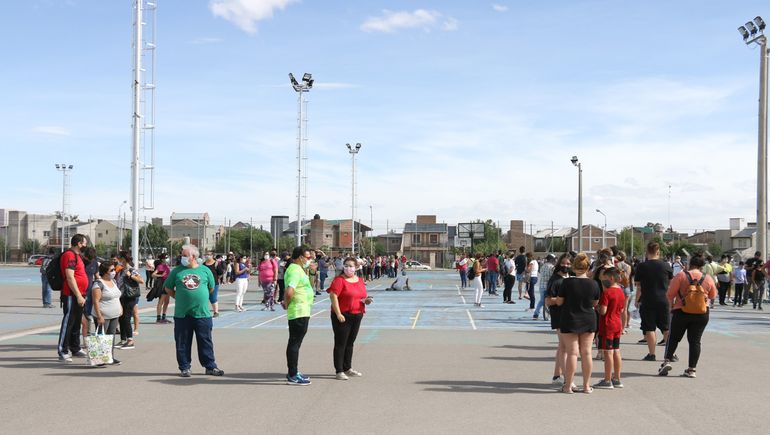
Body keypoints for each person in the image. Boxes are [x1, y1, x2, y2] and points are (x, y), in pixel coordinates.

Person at [164, 244, 223, 377]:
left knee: (205, 341)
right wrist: (179, 296)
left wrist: (199, 296)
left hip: (202, 313)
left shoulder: (205, 270)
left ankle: (210, 366)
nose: (182, 258)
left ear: (194, 257)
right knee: (182, 342)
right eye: (182, 255)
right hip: (182, 314)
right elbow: (168, 288)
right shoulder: (177, 271)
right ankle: (185, 367)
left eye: (185, 255)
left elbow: (211, 288)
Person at [658, 254, 717, 378]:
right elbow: (713, 295)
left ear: (690, 264)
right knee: (695, 341)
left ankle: (667, 361)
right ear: (702, 266)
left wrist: (671, 307)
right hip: (702, 312)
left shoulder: (681, 275)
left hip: (681, 311)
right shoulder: (707, 278)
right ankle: (691, 369)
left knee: (674, 338)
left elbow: (670, 294)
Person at [555, 253, 599, 394]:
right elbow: (595, 303)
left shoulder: (567, 283)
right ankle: (586, 386)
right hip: (588, 318)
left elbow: (559, 301)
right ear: (588, 268)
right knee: (586, 353)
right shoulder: (594, 283)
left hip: (570, 318)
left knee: (572, 353)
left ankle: (568, 386)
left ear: (574, 267)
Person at [327, 257, 373, 380]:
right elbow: (333, 296)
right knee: (340, 343)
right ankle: (339, 370)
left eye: (351, 266)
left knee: (350, 343)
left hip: (357, 314)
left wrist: (366, 300)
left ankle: (347, 368)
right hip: (343, 315)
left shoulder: (359, 280)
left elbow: (361, 296)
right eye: (346, 265)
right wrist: (338, 314)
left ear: (356, 268)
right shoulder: (339, 280)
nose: (348, 268)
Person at [634, 242, 673, 361]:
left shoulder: (641, 266)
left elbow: (639, 286)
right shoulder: (666, 266)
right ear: (658, 252)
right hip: (663, 299)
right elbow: (670, 284)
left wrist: (637, 300)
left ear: (647, 252)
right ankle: (670, 354)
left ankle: (652, 354)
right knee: (666, 328)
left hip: (647, 300)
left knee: (650, 328)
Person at [282, 246, 315, 385]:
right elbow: (290, 291)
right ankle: (293, 374)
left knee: (296, 342)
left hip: (302, 310)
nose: (309, 260)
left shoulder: (298, 269)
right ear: (300, 257)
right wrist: (287, 303)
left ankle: (294, 371)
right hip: (298, 311)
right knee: (294, 343)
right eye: (308, 257)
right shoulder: (295, 270)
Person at [57, 234, 89, 362]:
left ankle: (75, 347)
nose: (86, 246)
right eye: (84, 243)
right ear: (79, 244)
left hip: (80, 294)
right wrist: (78, 295)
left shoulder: (77, 256)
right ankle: (63, 350)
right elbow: (70, 277)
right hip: (71, 294)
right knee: (69, 321)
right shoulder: (69, 255)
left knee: (76, 322)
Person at [594, 267, 625, 389]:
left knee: (608, 352)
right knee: (616, 350)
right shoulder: (621, 292)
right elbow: (622, 309)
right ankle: (617, 378)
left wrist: (597, 307)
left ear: (611, 278)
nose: (603, 280)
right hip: (617, 322)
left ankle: (607, 379)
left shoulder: (607, 293)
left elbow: (603, 310)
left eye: (605, 278)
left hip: (608, 324)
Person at [545, 253, 571, 386]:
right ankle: (567, 378)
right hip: (559, 315)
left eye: (568, 264)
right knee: (565, 347)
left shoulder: (570, 278)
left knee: (562, 346)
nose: (566, 266)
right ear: (559, 263)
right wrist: (561, 300)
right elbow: (548, 300)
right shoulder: (555, 280)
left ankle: (556, 376)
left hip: (569, 315)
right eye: (563, 263)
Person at [91, 261, 123, 366]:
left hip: (114, 314)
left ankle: (109, 357)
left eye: (114, 269)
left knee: (111, 336)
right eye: (112, 270)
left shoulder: (113, 281)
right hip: (103, 315)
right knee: (101, 337)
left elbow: (116, 296)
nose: (114, 272)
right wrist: (99, 316)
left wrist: (120, 307)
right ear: (105, 272)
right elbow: (96, 301)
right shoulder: (98, 284)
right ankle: (99, 359)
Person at [115, 251, 144, 349]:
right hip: (121, 297)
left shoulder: (131, 270)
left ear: (123, 259)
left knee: (126, 318)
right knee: (121, 318)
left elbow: (141, 280)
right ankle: (123, 339)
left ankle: (130, 340)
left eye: (119, 258)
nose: (118, 260)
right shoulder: (121, 269)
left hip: (129, 297)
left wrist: (130, 275)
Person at [152, 253, 172, 322]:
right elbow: (153, 274)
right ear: (162, 259)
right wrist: (161, 275)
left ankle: (164, 317)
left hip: (168, 285)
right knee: (161, 301)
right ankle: (158, 318)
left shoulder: (167, 266)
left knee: (167, 302)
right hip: (162, 285)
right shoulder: (160, 266)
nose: (167, 259)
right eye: (166, 258)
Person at [534, 254, 554, 319]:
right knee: (550, 300)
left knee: (542, 300)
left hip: (542, 285)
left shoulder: (542, 266)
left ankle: (536, 314)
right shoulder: (552, 267)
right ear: (551, 260)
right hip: (549, 286)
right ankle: (550, 313)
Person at [203, 252, 221, 317]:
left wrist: (216, 279)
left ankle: (216, 312)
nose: (207, 256)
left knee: (213, 298)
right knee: (204, 298)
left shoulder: (216, 264)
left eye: (209, 255)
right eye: (206, 254)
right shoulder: (203, 264)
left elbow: (220, 273)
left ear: (212, 256)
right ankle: (205, 312)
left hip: (214, 284)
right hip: (205, 284)